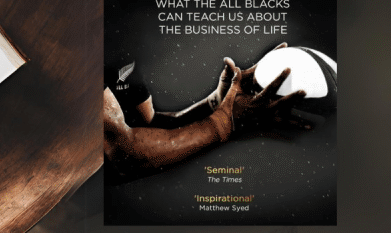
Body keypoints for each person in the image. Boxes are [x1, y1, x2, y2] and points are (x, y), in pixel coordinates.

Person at [103, 43, 310, 182]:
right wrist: (223, 122)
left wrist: (215, 104)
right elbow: (123, 153)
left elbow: (147, 124)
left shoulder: (119, 47)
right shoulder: (81, 40)